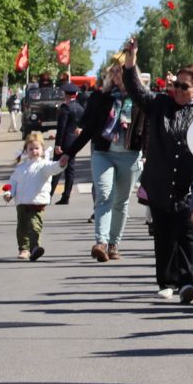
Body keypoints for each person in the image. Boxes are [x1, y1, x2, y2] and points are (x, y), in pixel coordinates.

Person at [125, 44, 193, 301]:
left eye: (184, 87)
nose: (178, 90)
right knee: (163, 233)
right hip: (160, 180)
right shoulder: (160, 103)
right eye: (177, 85)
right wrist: (130, 62)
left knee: (188, 232)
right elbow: (136, 91)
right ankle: (166, 281)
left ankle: (187, 281)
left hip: (189, 184)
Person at [63, 60, 145, 261]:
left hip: (130, 154)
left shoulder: (142, 98)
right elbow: (89, 129)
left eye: (123, 71)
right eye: (115, 72)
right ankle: (101, 242)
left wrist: (151, 155)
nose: (118, 75)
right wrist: (69, 152)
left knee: (121, 202)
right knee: (104, 195)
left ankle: (114, 244)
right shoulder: (100, 97)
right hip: (103, 153)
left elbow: (149, 129)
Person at [5, 131, 67, 260]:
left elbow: (54, 168)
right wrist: (9, 193)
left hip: (37, 202)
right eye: (31, 149)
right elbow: (13, 182)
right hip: (21, 202)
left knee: (34, 226)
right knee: (22, 227)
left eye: (37, 148)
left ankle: (34, 248)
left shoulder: (44, 165)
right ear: (26, 150)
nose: (34, 151)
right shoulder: (21, 167)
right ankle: (24, 249)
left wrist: (61, 164)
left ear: (42, 149)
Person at [52, 83, 84, 206]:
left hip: (64, 141)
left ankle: (48, 194)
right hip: (74, 142)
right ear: (75, 94)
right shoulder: (81, 108)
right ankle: (66, 195)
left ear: (66, 95)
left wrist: (57, 144)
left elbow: (61, 127)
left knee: (56, 168)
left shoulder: (65, 107)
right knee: (70, 170)